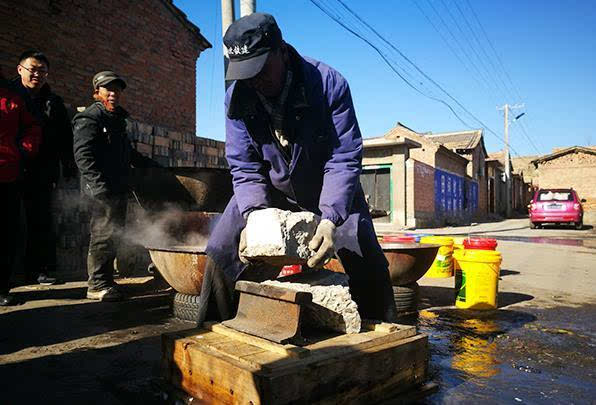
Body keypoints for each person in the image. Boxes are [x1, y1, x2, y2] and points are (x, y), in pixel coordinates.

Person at [200, 13, 398, 324]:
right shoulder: (237, 99)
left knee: (365, 255)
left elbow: (344, 157)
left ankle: (387, 341)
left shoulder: (327, 83)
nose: (255, 81)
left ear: (281, 50)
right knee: (222, 249)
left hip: (328, 187)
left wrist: (331, 219)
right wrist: (255, 216)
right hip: (270, 189)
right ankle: (212, 336)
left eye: (261, 69)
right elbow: (244, 165)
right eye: (246, 73)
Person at [73, 71, 159, 301]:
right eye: (107, 89)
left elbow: (127, 153)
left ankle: (107, 281)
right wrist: (98, 187)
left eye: (117, 90)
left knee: (113, 235)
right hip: (101, 191)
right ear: (96, 92)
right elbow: (83, 157)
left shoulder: (116, 119)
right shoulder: (90, 118)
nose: (113, 93)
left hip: (118, 188)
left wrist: (153, 166)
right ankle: (97, 285)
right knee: (103, 235)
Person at [11, 50, 77, 286]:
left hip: (41, 170)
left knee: (40, 220)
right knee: (8, 222)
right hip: (10, 167)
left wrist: (68, 165)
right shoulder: (8, 95)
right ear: (20, 69)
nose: (37, 74)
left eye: (43, 71)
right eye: (33, 69)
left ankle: (37, 270)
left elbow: (64, 138)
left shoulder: (54, 102)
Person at [0, 65, 42, 306]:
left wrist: (22, 151)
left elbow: (32, 128)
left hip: (7, 175)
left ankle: (2, 288)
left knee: (5, 235)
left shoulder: (12, 98)